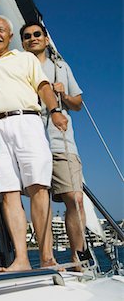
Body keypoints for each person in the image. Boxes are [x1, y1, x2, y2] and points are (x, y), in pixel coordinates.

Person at [0, 15, 68, 271]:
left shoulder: (26, 58)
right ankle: (22, 260)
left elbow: (43, 87)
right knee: (9, 192)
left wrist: (55, 110)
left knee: (39, 186)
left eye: (1, 30)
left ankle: (47, 256)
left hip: (27, 120)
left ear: (10, 36)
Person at [21, 21, 86, 267]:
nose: (33, 38)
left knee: (75, 198)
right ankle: (46, 258)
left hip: (61, 141)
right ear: (23, 42)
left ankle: (78, 256)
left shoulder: (61, 67)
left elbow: (77, 103)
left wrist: (64, 95)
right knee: (39, 199)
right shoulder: (20, 67)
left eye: (37, 34)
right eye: (27, 36)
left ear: (46, 40)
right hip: (31, 139)